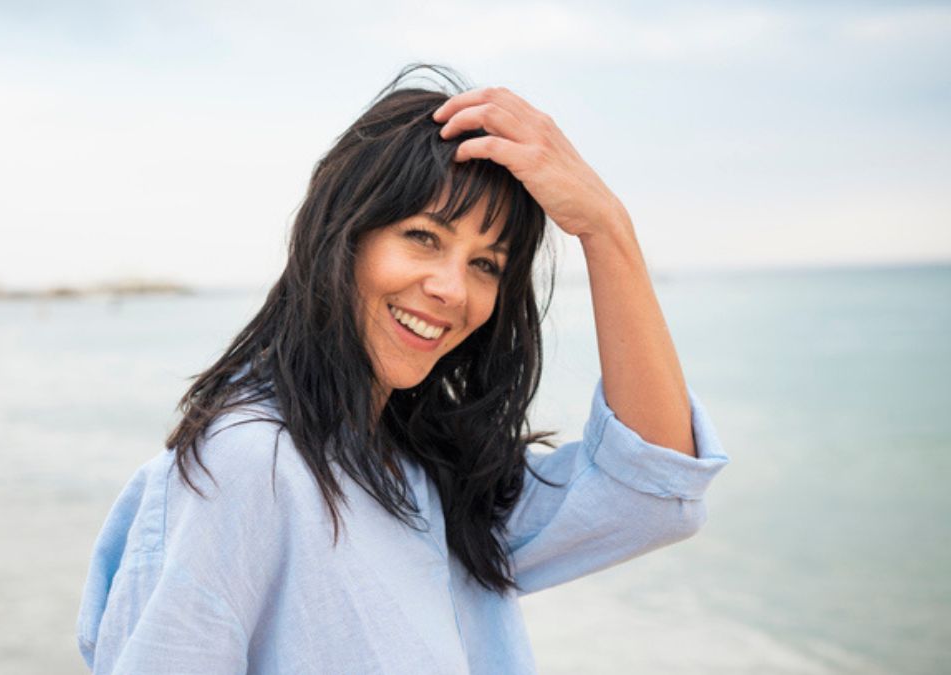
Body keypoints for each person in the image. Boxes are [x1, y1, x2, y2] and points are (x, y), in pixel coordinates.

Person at [76, 65, 730, 674]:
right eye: (424, 236)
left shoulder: (427, 470)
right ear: (345, 233)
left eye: (486, 264)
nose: (451, 287)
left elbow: (651, 487)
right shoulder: (250, 462)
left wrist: (606, 229)